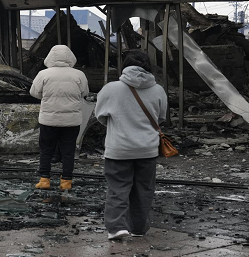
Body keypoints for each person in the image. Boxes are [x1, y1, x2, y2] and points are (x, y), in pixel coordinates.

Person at [94, 50, 167, 240]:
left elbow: (100, 115)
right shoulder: (158, 89)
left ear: (124, 66)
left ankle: (117, 228)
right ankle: (139, 228)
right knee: (144, 189)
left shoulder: (111, 88)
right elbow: (161, 117)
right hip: (147, 149)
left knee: (118, 188)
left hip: (119, 149)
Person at [30, 45, 89, 191]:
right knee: (68, 151)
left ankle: (44, 180)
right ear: (70, 57)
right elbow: (84, 93)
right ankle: (66, 182)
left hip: (48, 120)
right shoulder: (79, 75)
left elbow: (34, 93)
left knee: (46, 150)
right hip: (71, 121)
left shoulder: (43, 74)